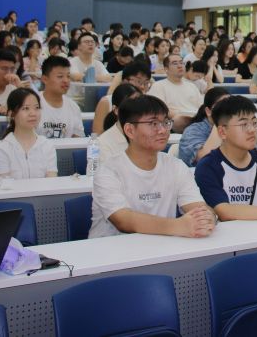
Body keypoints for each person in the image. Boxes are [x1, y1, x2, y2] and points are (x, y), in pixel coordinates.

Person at [89, 95, 215, 238]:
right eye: (153, 124)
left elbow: (198, 207)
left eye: (165, 122)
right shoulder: (108, 171)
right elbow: (123, 220)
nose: (163, 130)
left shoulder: (176, 166)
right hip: (112, 248)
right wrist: (179, 226)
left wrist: (207, 218)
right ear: (130, 130)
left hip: (161, 245)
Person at [0, 88, 58, 179]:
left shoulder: (47, 145)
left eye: (37, 108)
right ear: (12, 114)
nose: (33, 113)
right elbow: (3, 184)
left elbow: (52, 182)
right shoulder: (3, 148)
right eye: (26, 108)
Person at [148, 54, 203, 133]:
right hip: (174, 122)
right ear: (166, 69)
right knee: (179, 120)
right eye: (175, 63)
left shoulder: (192, 86)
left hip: (196, 120)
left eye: (181, 63)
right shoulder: (158, 86)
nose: (180, 66)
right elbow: (158, 109)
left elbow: (201, 107)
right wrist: (179, 115)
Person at [178, 87, 230, 167]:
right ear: (208, 111)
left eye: (230, 106)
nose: (227, 111)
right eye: (221, 107)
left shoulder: (235, 128)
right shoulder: (193, 131)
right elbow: (204, 159)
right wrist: (219, 122)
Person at [37, 56, 85, 139]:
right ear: (45, 79)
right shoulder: (33, 104)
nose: (66, 80)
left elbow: (77, 139)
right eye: (60, 76)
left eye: (68, 76)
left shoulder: (73, 107)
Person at [96, 83, 143, 164]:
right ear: (116, 110)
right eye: (130, 106)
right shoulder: (102, 144)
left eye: (140, 105)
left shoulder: (146, 135)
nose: (136, 110)